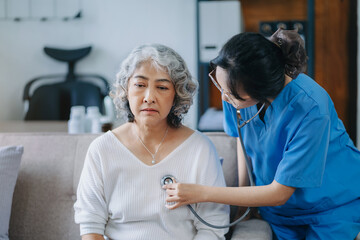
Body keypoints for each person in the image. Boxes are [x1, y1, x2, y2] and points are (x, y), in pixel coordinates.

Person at [163, 29, 360, 240]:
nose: (224, 96)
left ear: (260, 90)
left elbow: (279, 193)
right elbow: (242, 141)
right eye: (221, 86)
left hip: (331, 207)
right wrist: (243, 202)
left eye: (230, 94)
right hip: (279, 213)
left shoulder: (311, 108)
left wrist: (201, 192)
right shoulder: (233, 87)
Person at [74, 43, 229, 240]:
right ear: (126, 90)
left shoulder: (200, 149)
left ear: (177, 95)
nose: (149, 97)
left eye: (162, 87)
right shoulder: (102, 149)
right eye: (140, 85)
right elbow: (90, 225)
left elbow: (213, 228)